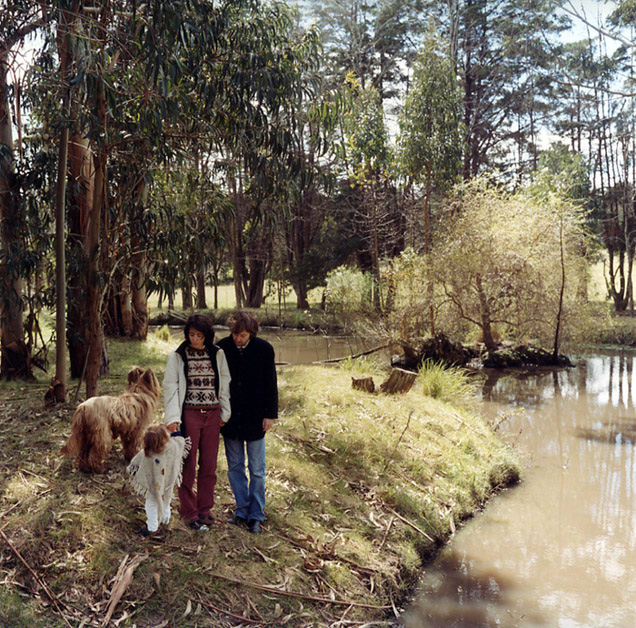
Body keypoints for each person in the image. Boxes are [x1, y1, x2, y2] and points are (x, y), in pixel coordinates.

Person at [163, 314, 231, 531]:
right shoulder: (178, 356)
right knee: (188, 463)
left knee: (209, 464)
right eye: (191, 334)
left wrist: (224, 413)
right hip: (190, 414)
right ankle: (189, 511)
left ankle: (205, 509)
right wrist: (173, 418)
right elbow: (170, 387)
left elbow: (224, 383)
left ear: (207, 335)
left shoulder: (217, 354)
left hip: (212, 414)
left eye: (199, 335)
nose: (194, 339)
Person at [218, 310, 278, 534]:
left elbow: (271, 384)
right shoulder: (222, 348)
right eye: (235, 334)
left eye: (242, 335)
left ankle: (256, 514)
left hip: (255, 417)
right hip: (231, 418)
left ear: (251, 333)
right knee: (235, 466)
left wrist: (270, 414)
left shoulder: (264, 349)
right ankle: (242, 509)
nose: (237, 339)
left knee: (257, 469)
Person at [127, 424, 190, 539]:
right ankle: (165, 520)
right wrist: (175, 429)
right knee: (166, 501)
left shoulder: (146, 454)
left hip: (153, 487)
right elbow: (180, 440)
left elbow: (134, 464)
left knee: (151, 505)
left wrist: (133, 472)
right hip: (168, 482)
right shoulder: (172, 447)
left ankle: (152, 528)